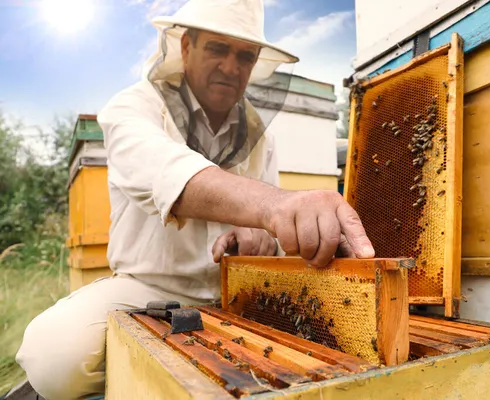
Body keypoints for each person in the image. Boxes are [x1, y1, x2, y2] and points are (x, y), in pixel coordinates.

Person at [15, 0, 374, 398]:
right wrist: (273, 207)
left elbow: (270, 229)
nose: (231, 67)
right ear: (186, 47)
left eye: (245, 55)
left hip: (237, 290)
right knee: (54, 358)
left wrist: (259, 238)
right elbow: (167, 173)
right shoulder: (134, 107)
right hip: (146, 289)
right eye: (218, 49)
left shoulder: (260, 138)